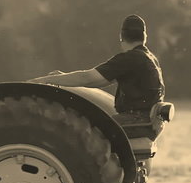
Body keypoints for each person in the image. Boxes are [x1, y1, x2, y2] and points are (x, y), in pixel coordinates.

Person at [29, 14, 165, 125]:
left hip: (135, 119)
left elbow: (87, 78)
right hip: (148, 119)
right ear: (145, 37)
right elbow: (98, 81)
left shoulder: (129, 59)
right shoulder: (149, 58)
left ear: (121, 37)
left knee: (85, 129)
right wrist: (63, 78)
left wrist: (45, 80)